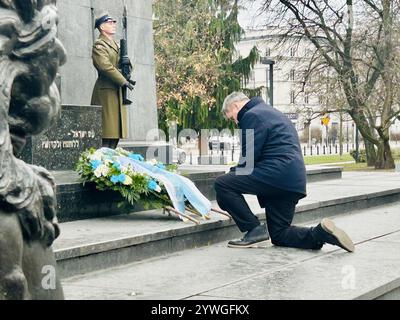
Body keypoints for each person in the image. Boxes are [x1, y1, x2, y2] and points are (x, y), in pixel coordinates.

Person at [215, 92, 355, 252]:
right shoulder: (272, 112)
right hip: (291, 180)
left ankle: (254, 229)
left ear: (236, 106)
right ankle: (320, 234)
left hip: (275, 174)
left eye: (233, 118)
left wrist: (225, 191)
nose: (236, 121)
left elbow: (248, 160)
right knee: (280, 234)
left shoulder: (251, 115)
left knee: (222, 183)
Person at [91, 12, 134, 149]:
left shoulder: (117, 45)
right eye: (110, 22)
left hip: (117, 92)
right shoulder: (99, 45)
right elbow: (105, 67)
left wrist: (127, 65)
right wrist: (123, 80)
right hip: (106, 93)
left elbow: (126, 67)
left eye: (114, 22)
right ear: (102, 27)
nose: (114, 25)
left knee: (115, 134)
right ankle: (102, 166)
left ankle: (109, 165)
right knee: (106, 133)